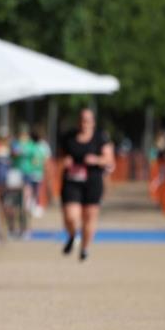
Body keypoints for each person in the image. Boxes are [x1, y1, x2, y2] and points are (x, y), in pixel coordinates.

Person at [59, 108, 114, 262]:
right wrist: (64, 161)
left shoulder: (100, 138)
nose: (85, 124)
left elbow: (109, 160)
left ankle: (84, 248)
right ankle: (72, 235)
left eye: (88, 120)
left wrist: (96, 160)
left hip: (93, 181)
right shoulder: (68, 137)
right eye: (82, 120)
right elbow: (59, 156)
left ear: (93, 122)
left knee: (89, 217)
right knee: (71, 216)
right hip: (72, 181)